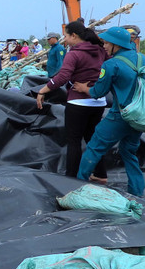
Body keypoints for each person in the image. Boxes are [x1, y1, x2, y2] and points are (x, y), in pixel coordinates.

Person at [73, 27, 145, 196]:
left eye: (107, 43)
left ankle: (78, 189)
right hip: (139, 116)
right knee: (129, 152)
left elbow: (98, 92)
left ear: (116, 44)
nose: (104, 46)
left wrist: (84, 88)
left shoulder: (111, 64)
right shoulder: (141, 58)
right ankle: (137, 193)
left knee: (94, 147)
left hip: (120, 115)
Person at [36, 20, 108, 182]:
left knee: (74, 142)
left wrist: (43, 90)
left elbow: (62, 77)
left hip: (78, 103)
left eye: (66, 36)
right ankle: (101, 174)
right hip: (98, 102)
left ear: (74, 36)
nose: (65, 40)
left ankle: (71, 179)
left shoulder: (74, 53)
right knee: (92, 139)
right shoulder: (100, 50)